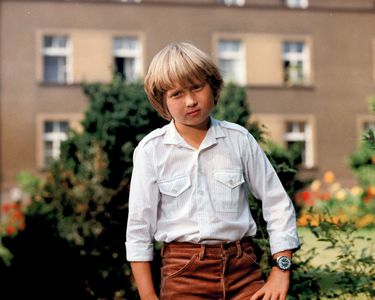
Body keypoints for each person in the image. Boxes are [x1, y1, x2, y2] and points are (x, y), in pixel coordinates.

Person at [126, 42, 300, 300]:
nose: (191, 101)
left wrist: (281, 270)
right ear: (162, 100)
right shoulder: (151, 151)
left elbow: (277, 203)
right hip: (183, 275)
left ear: (213, 86)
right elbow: (139, 230)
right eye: (176, 94)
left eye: (197, 87)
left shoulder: (238, 140)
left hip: (244, 272)